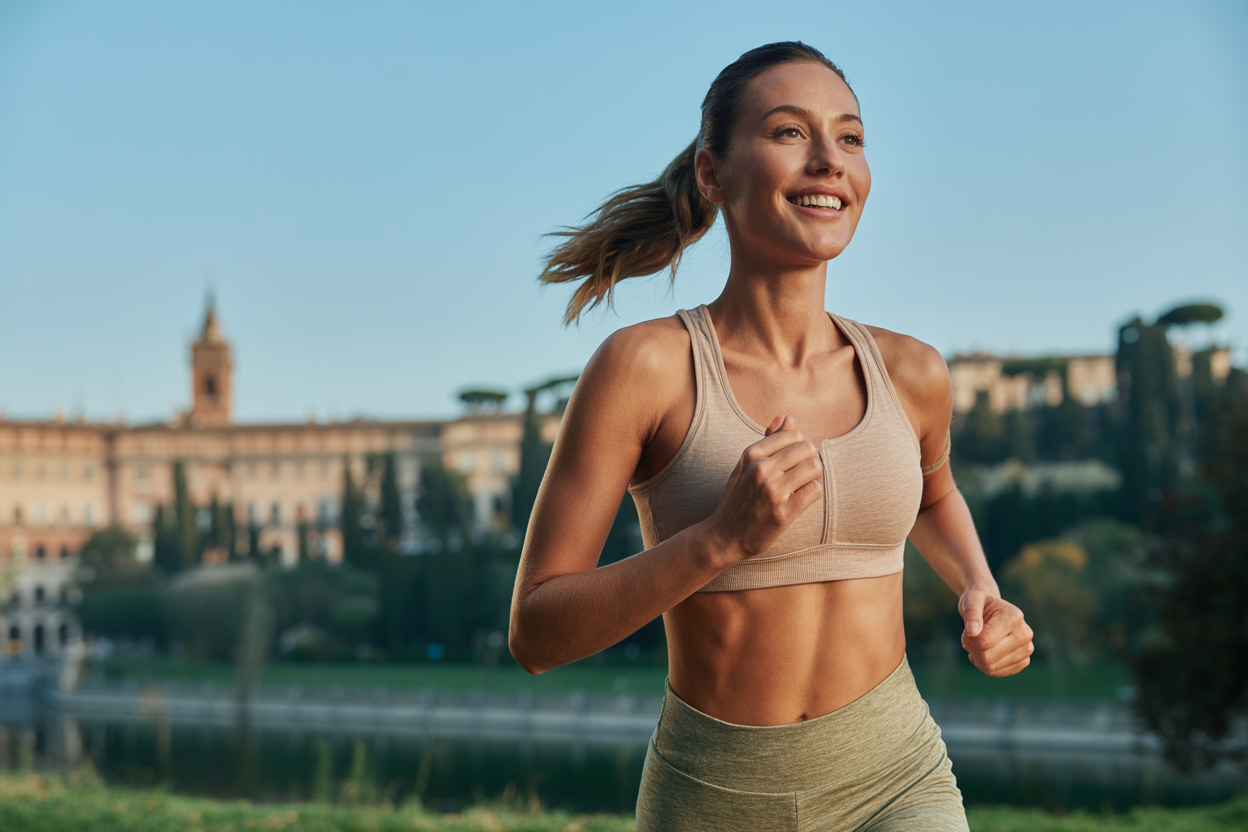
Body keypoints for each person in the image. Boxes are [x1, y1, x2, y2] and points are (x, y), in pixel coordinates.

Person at [507, 41, 1034, 831]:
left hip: (896, 781)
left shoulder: (912, 371)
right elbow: (537, 633)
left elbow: (933, 495)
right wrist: (718, 540)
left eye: (850, 137)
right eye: (790, 132)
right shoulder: (644, 368)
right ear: (712, 174)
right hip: (714, 794)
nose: (829, 160)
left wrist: (980, 589)